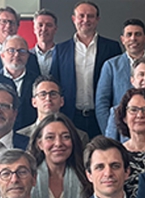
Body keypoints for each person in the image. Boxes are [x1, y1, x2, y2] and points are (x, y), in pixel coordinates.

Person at [50, 1, 122, 138]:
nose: (85, 20)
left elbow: (116, 85)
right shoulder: (60, 50)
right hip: (70, 116)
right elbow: (54, 83)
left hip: (101, 117)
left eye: (90, 16)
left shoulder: (112, 48)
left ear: (97, 19)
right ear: (74, 19)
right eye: (81, 16)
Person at [27, 112, 91, 198]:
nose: (58, 143)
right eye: (50, 137)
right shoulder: (27, 177)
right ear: (40, 144)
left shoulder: (87, 176)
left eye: (65, 137)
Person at [18, 77, 90, 146]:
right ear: (34, 102)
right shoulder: (20, 136)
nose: (48, 98)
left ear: (61, 101)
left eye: (53, 94)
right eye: (43, 94)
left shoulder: (79, 137)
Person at [0, 6, 42, 78]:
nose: (8, 25)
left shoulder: (30, 58)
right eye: (3, 21)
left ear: (17, 27)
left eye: (12, 23)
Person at [2, 35, 40, 130]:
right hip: (1, 133)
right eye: (11, 50)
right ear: (2, 55)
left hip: (30, 134)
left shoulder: (37, 81)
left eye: (22, 51)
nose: (16, 55)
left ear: (28, 56)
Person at [32, 9, 59, 77]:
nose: (44, 29)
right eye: (40, 25)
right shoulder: (26, 56)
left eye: (49, 25)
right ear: (34, 29)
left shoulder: (63, 55)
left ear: (55, 29)